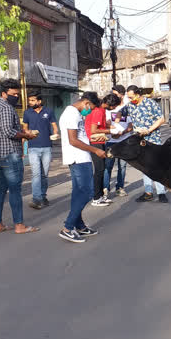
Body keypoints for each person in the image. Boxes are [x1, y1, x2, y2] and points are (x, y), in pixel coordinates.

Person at [0, 83, 39, 234]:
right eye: (13, 94)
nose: (16, 97)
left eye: (17, 94)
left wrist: (22, 131)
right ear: (4, 93)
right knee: (15, 190)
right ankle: (19, 225)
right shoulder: (6, 108)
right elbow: (8, 132)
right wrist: (26, 135)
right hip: (9, 155)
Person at [58, 91, 107, 243]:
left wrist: (93, 139)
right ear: (86, 102)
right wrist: (95, 150)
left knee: (78, 193)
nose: (90, 111)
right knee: (87, 192)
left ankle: (79, 225)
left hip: (80, 157)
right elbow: (73, 140)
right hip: (78, 158)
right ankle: (68, 227)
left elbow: (79, 137)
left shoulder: (75, 114)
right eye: (91, 108)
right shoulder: (71, 114)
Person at [126, 85, 168, 203]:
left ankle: (161, 192)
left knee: (156, 165)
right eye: (128, 97)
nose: (130, 99)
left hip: (153, 139)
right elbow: (119, 114)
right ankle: (148, 192)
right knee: (144, 166)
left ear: (138, 94)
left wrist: (149, 130)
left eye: (132, 97)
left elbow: (161, 119)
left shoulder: (150, 103)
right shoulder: (130, 106)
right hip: (139, 141)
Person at [22, 92, 59, 209]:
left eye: (33, 100)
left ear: (39, 101)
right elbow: (25, 128)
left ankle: (43, 196)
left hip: (47, 147)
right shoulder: (27, 112)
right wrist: (27, 136)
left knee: (44, 175)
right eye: (30, 100)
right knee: (36, 174)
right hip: (33, 147)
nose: (30, 102)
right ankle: (36, 199)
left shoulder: (48, 111)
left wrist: (56, 133)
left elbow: (54, 125)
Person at [85, 92, 120, 206]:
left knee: (102, 168)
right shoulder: (98, 111)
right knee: (99, 170)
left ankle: (100, 196)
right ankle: (96, 198)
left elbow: (102, 126)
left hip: (100, 141)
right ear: (110, 104)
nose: (115, 108)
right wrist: (110, 131)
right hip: (95, 142)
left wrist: (111, 127)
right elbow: (94, 130)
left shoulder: (102, 110)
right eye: (115, 106)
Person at [104, 86, 132, 197]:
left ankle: (120, 187)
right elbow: (106, 122)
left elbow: (131, 125)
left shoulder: (127, 108)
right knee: (108, 166)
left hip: (124, 141)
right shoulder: (109, 108)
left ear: (122, 95)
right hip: (111, 141)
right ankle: (105, 188)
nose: (113, 96)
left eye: (115, 94)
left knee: (123, 166)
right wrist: (113, 132)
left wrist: (123, 133)